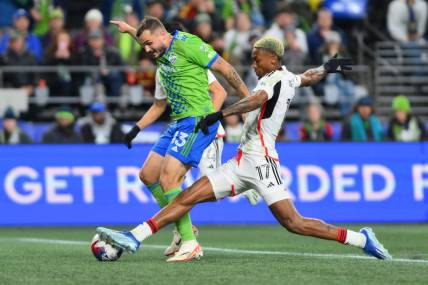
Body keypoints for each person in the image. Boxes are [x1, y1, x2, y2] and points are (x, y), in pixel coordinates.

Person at [97, 36, 391, 261]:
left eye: (257, 59)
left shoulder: (274, 80)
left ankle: (361, 239)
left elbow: (255, 100)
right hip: (240, 162)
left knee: (294, 223)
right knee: (188, 195)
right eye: (252, 59)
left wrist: (221, 114)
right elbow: (308, 77)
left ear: (273, 60)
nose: (253, 64)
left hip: (263, 163)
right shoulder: (287, 77)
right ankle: (135, 236)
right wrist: (327, 67)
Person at [109, 16, 250, 262]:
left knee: (169, 179)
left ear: (164, 35)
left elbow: (227, 71)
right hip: (177, 121)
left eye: (150, 44)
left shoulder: (189, 45)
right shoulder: (161, 53)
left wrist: (249, 102)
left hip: (196, 120)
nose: (147, 50)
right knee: (148, 174)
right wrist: (130, 30)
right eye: (144, 46)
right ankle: (181, 226)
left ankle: (189, 242)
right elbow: (158, 101)